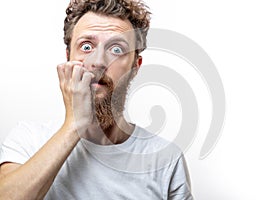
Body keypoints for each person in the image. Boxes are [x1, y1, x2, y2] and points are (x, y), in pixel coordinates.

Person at [0, 0, 193, 199]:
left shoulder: (165, 159)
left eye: (116, 49)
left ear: (135, 66)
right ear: (68, 57)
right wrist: (74, 125)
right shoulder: (28, 141)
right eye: (86, 46)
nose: (98, 62)